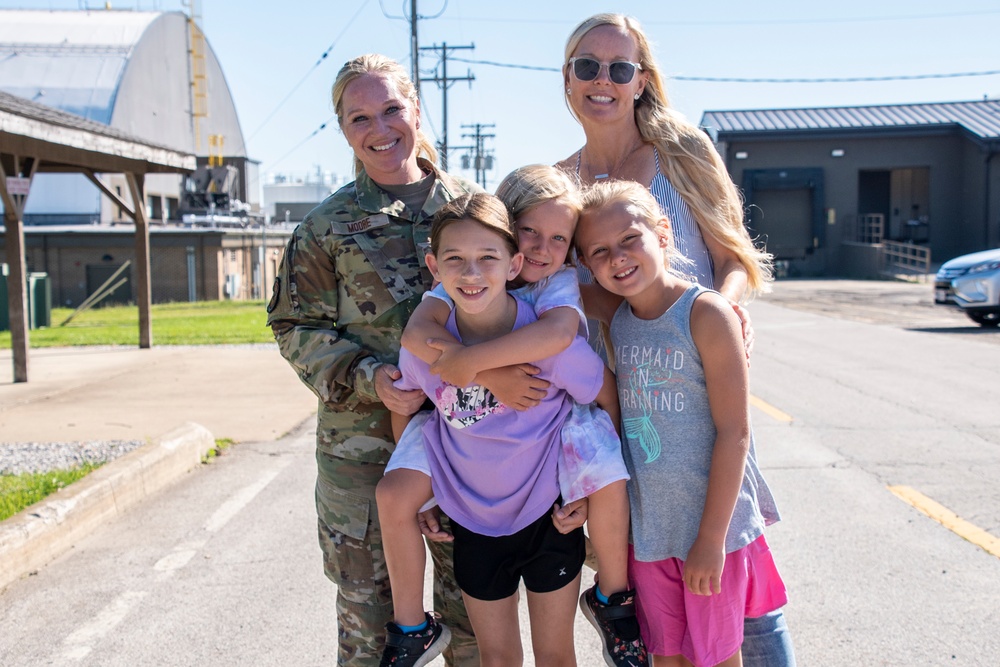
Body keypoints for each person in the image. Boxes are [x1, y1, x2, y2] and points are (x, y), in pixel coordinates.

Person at [267, 54, 543, 666]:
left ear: (416, 111)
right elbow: (293, 324)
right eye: (359, 117)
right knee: (373, 630)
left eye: (392, 109)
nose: (380, 128)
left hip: (478, 447)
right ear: (343, 130)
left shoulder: (477, 209)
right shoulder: (325, 228)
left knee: (474, 621)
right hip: (365, 454)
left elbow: (532, 305)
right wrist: (370, 379)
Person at [557, 13, 795, 665]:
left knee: (729, 567)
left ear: (642, 81)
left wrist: (724, 307)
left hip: (692, 381)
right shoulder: (559, 185)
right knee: (649, 596)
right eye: (587, 66)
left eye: (620, 68)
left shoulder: (683, 151)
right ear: (567, 77)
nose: (602, 80)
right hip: (619, 407)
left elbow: (735, 255)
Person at [381, 165, 645, 666]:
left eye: (557, 239)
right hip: (476, 521)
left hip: (547, 514)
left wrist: (590, 482)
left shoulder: (552, 312)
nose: (473, 271)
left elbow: (595, 382)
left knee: (555, 655)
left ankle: (615, 600)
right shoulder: (436, 323)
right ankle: (411, 627)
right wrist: (424, 490)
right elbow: (412, 396)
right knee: (499, 658)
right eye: (530, 231)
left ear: (510, 260)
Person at [574, 180, 789, 667]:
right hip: (650, 535)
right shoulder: (620, 315)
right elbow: (548, 287)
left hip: (708, 532)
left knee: (715, 659)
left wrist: (711, 540)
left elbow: (735, 434)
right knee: (664, 656)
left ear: (663, 232)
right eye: (600, 251)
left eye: (630, 239)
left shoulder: (706, 313)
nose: (618, 258)